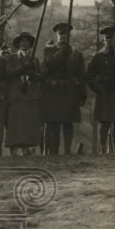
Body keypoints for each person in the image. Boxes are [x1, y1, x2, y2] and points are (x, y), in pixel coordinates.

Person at [41, 22, 86, 155]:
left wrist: (82, 94)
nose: (63, 36)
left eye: (66, 34)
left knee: (68, 123)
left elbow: (81, 74)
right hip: (54, 91)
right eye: (61, 34)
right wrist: (60, 53)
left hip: (70, 91)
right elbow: (46, 67)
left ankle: (67, 150)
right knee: (53, 123)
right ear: (56, 35)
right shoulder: (49, 50)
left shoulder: (76, 53)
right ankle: (52, 152)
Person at [86, 26, 115, 154]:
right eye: (107, 38)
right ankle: (103, 148)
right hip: (105, 92)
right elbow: (89, 76)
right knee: (104, 122)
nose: (110, 40)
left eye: (113, 38)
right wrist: (99, 89)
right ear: (103, 40)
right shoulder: (99, 56)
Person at [4, 31, 42, 155]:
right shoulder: (12, 57)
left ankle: (26, 148)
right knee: (15, 121)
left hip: (30, 94)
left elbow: (40, 76)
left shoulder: (35, 59)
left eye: (27, 41)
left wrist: (33, 74)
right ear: (18, 43)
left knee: (28, 122)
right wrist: (24, 68)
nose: (24, 43)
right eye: (22, 41)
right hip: (16, 94)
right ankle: (14, 148)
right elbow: (9, 73)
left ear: (30, 44)